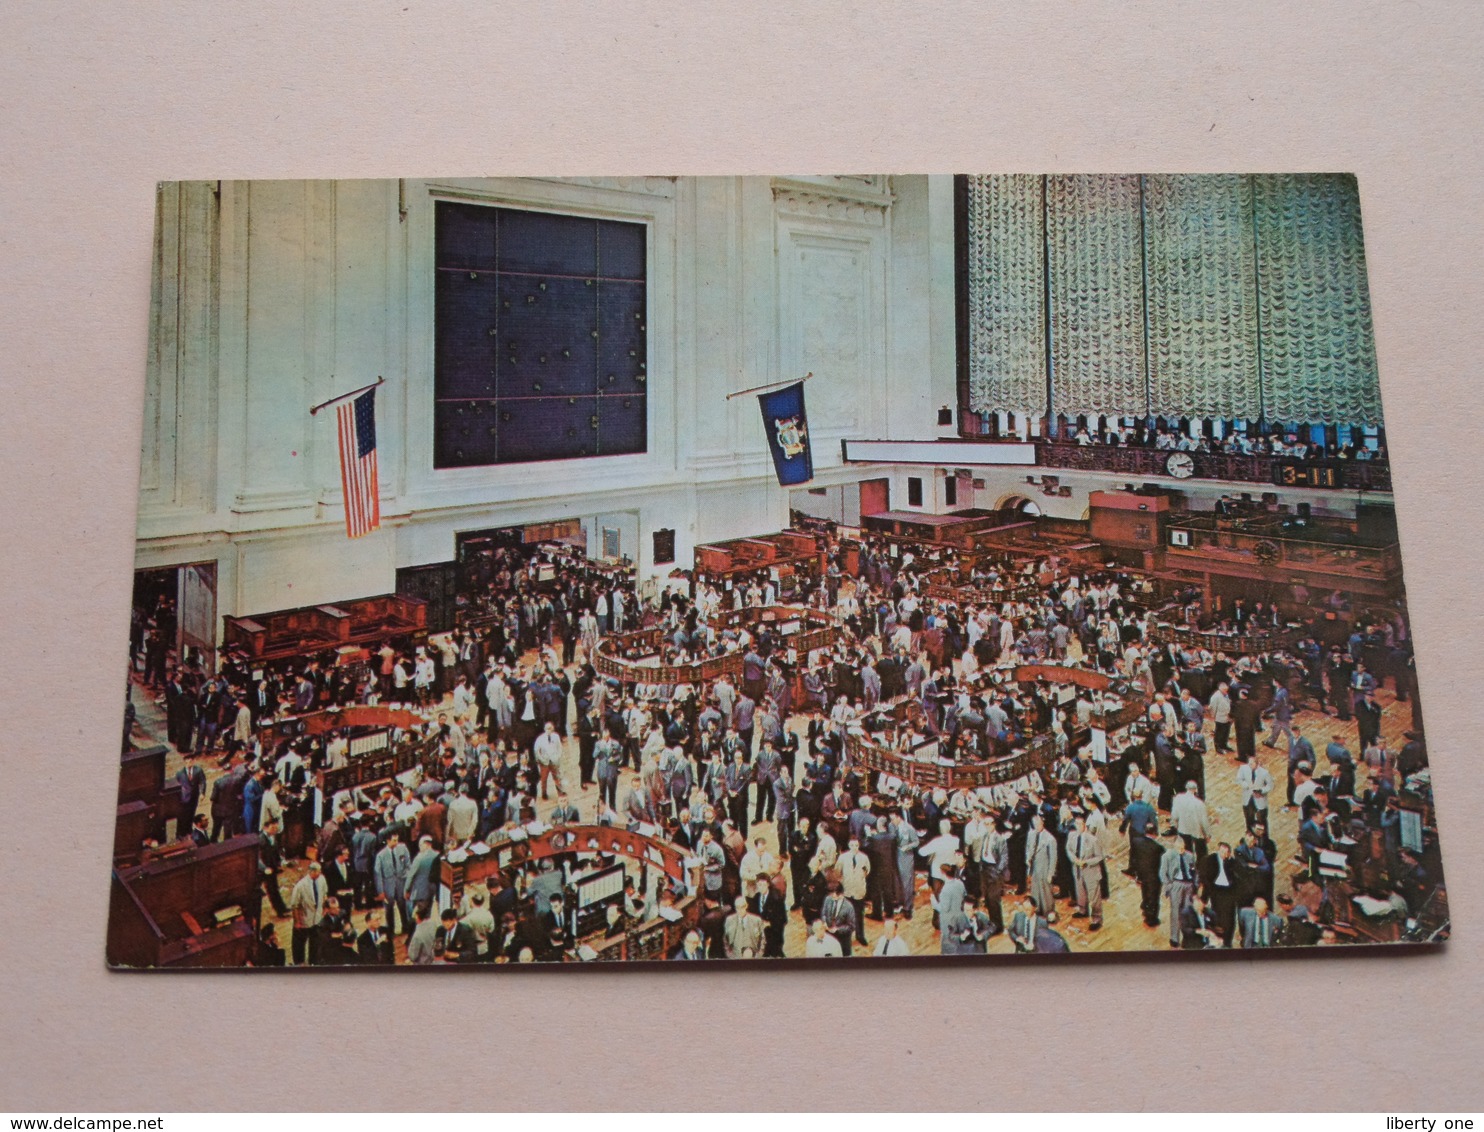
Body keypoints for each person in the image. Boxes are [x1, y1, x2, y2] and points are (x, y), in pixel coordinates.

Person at [288, 861, 327, 966]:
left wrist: (324, 910)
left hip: (317, 919)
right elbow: (294, 905)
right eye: (318, 872)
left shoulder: (322, 880)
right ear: (311, 871)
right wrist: (297, 922)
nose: (319, 874)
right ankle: (299, 963)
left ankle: (313, 962)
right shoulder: (300, 886)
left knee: (315, 943)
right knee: (299, 945)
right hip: (303, 920)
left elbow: (324, 894)